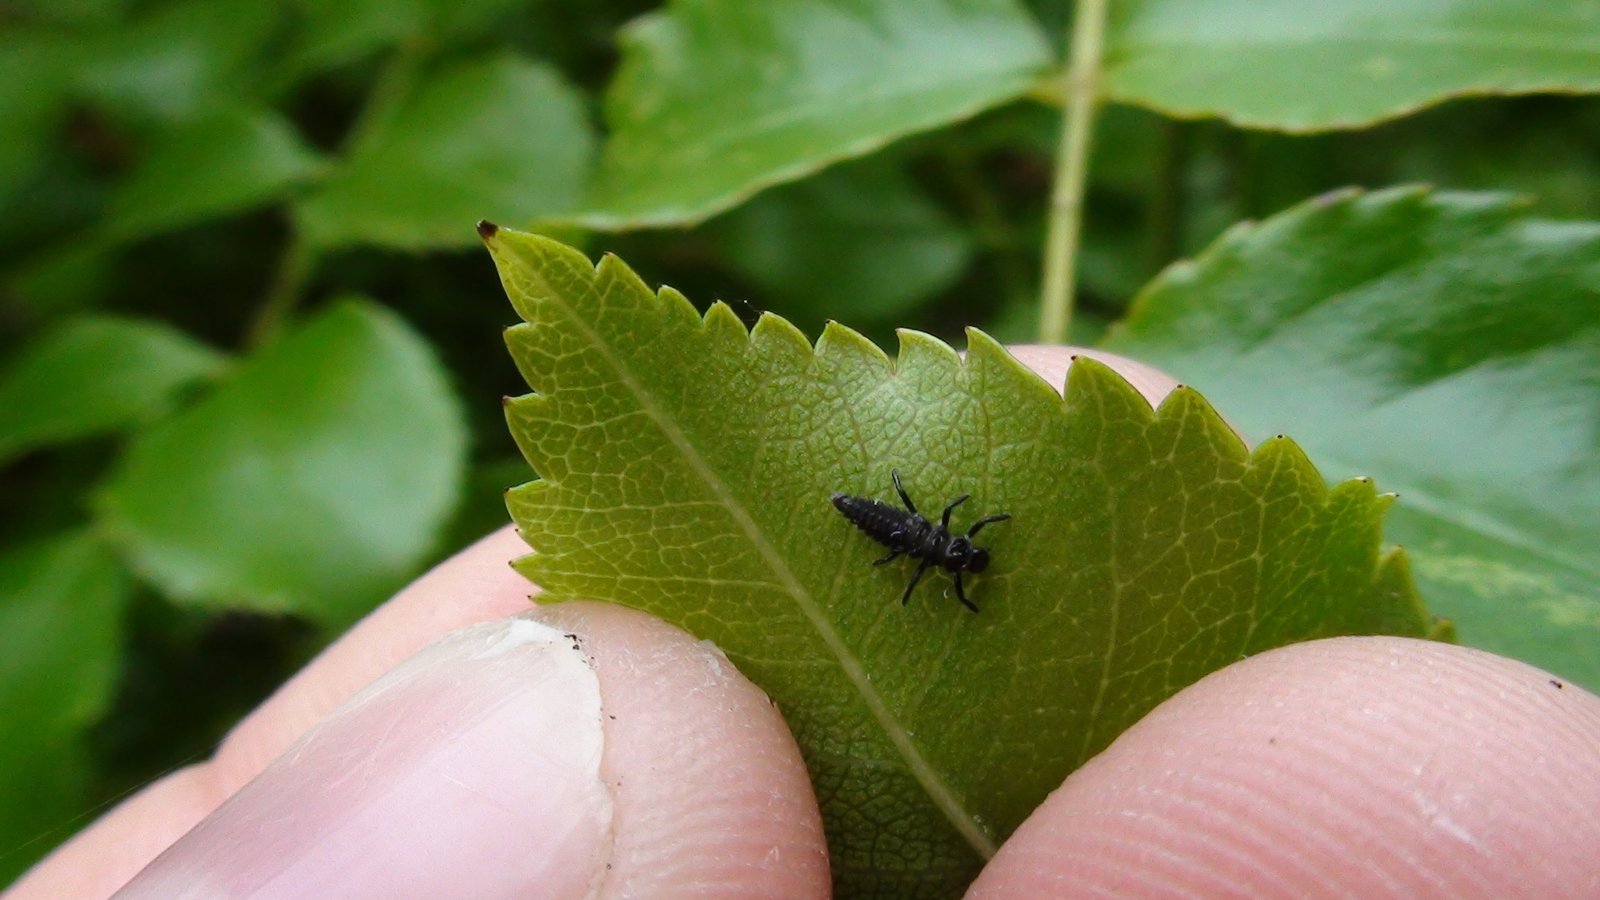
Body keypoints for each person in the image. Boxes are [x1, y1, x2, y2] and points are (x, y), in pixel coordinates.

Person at [10, 348, 1599, 897]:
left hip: (870, 521)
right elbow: (933, 541)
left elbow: (935, 543)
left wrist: (928, 538)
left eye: (953, 560)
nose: (956, 557)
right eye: (957, 556)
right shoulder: (927, 545)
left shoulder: (928, 549)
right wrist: (926, 535)